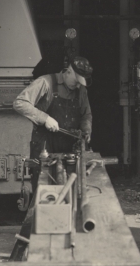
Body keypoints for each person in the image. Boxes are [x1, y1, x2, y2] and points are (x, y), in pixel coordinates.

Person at [13, 56, 93, 206]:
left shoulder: (80, 90)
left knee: (71, 192)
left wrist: (86, 130)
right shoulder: (46, 82)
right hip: (44, 144)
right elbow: (19, 103)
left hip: (69, 145)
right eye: (76, 82)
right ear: (68, 71)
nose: (77, 87)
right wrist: (45, 118)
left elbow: (86, 114)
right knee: (44, 192)